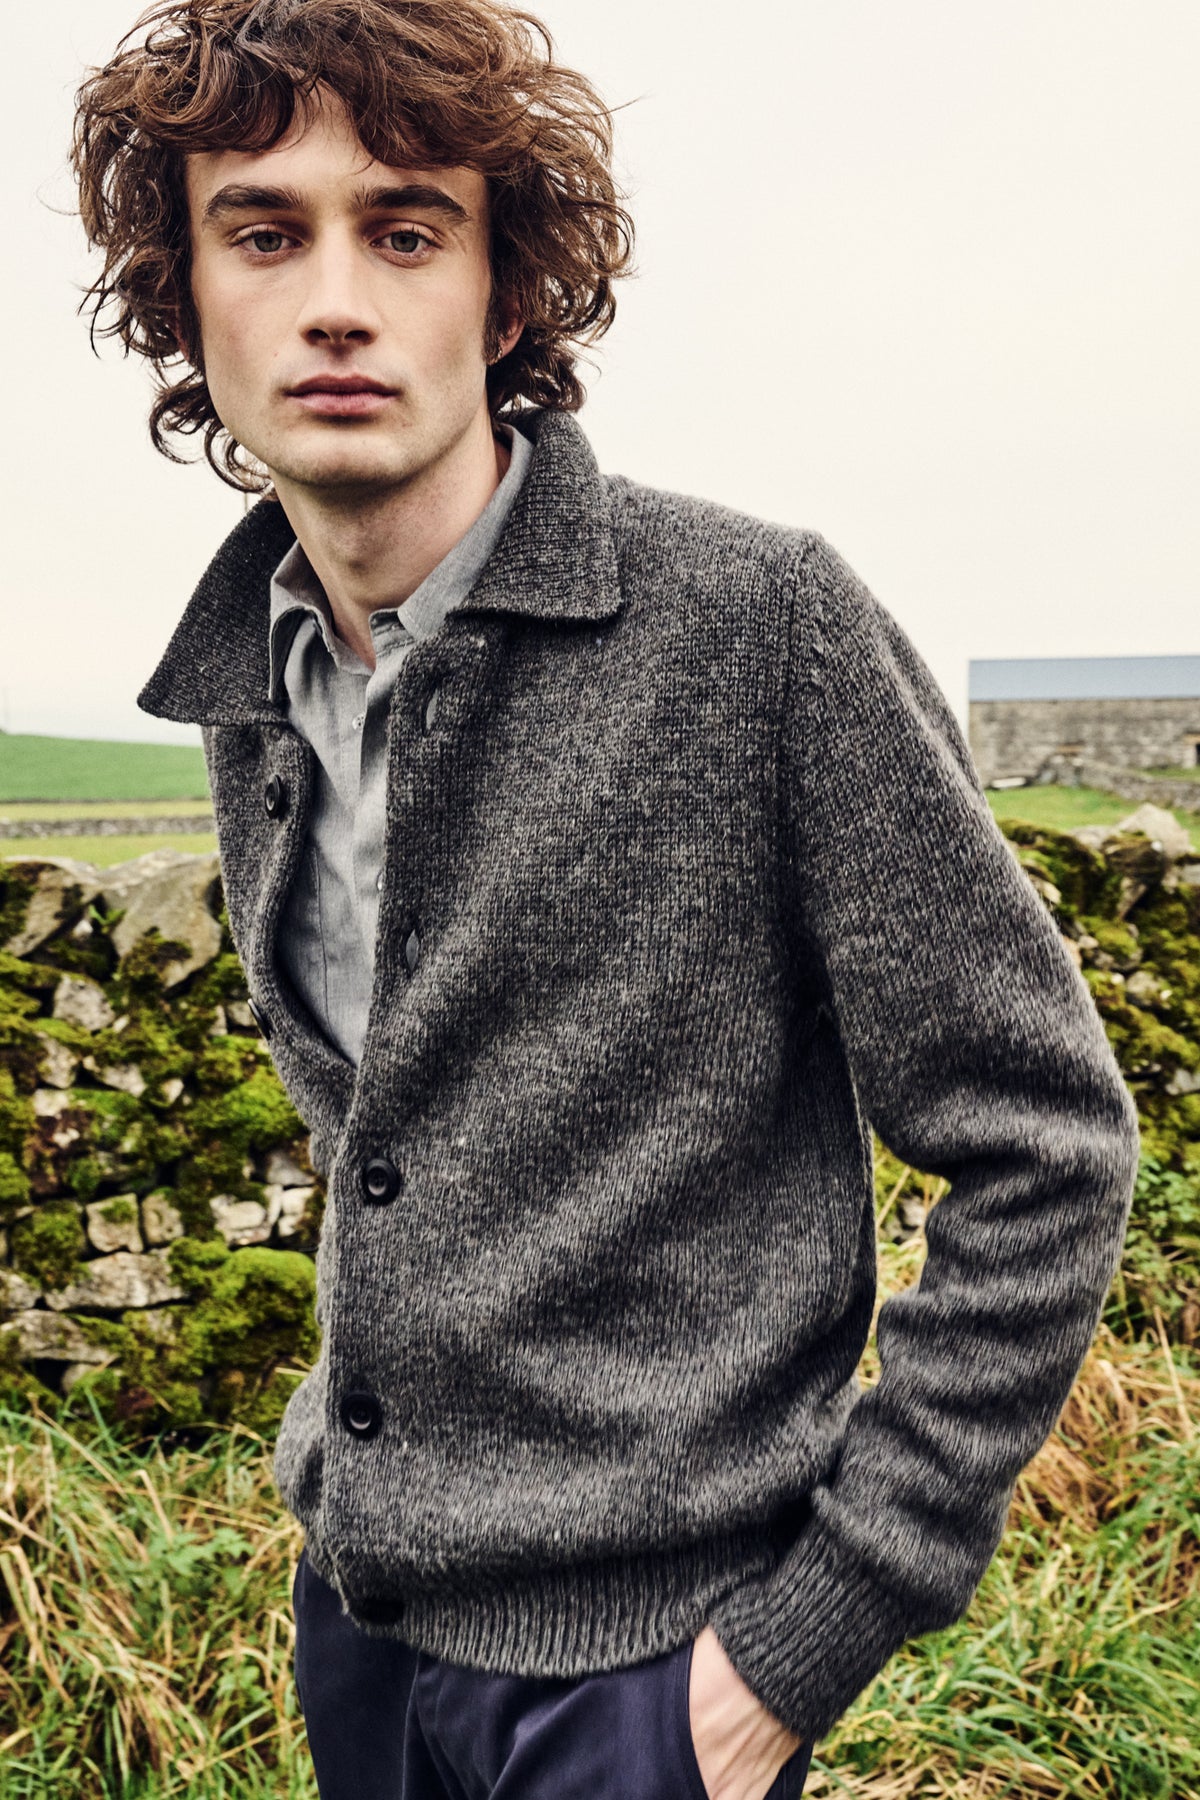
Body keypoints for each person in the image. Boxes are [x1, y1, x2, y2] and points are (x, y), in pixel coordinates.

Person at [72, 3, 1139, 1796]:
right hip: (366, 1625)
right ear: (187, 300)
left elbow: (1045, 1143)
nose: (336, 295)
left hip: (654, 1684)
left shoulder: (761, 628)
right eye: (263, 231)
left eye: (406, 228)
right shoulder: (250, 677)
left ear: (503, 300)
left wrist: (799, 1648)